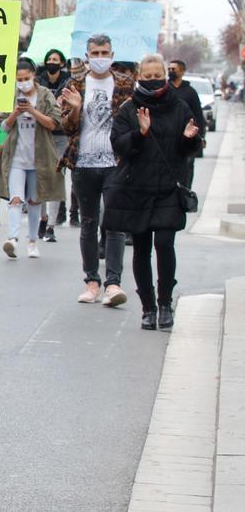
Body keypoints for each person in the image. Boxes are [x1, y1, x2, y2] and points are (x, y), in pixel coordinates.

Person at [104, 54, 202, 331]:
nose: (152, 79)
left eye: (156, 74)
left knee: (165, 244)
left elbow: (191, 149)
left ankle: (165, 303)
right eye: (146, 76)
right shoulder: (129, 109)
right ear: (138, 78)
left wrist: (189, 138)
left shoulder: (180, 107)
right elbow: (119, 146)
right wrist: (140, 134)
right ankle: (148, 307)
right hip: (137, 188)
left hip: (169, 188)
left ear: (165, 74)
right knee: (142, 248)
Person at [58, 34, 135, 307]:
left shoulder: (126, 85)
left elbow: (132, 124)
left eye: (104, 52)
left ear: (112, 54)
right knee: (89, 222)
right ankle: (92, 282)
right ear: (87, 55)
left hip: (115, 163)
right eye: (95, 53)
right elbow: (65, 128)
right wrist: (76, 109)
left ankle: (113, 284)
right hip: (83, 163)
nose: (100, 57)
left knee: (113, 222)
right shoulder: (75, 85)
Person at [0, 59, 63, 259]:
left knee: (35, 201)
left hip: (39, 158)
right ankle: (12, 238)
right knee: (16, 199)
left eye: (26, 78)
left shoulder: (45, 95)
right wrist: (15, 113)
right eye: (19, 79)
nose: (23, 82)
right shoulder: (10, 96)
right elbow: (3, 127)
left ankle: (33, 241)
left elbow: (54, 123)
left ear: (34, 75)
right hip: (16, 156)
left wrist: (32, 111)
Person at [36, 48, 71, 241]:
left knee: (56, 177)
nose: (52, 62)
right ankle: (42, 217)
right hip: (42, 134)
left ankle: (51, 226)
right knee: (41, 176)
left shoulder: (69, 82)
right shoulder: (38, 81)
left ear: (62, 63)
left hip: (61, 135)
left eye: (55, 59)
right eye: (49, 58)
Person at [166, 59, 207, 188]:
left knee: (187, 167)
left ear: (182, 71)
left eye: (174, 69)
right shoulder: (164, 90)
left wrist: (200, 136)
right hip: (168, 137)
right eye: (169, 69)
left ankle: (185, 192)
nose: (171, 71)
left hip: (187, 138)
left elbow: (198, 116)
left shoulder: (190, 92)